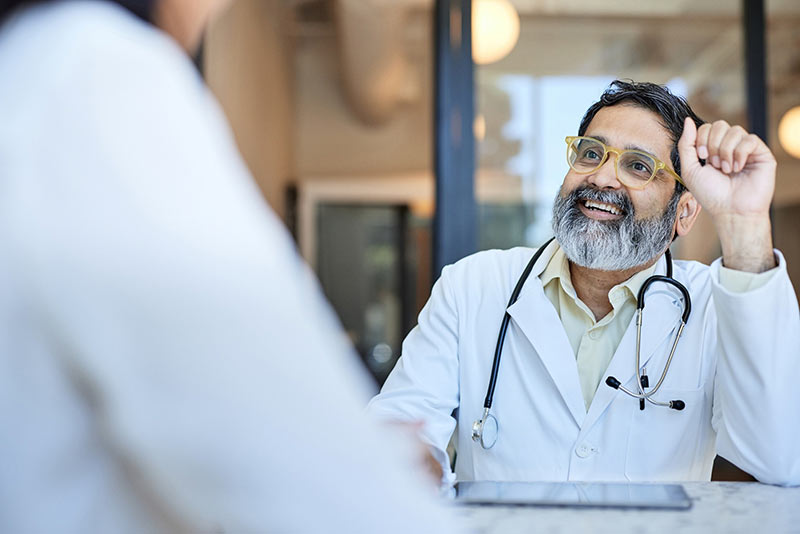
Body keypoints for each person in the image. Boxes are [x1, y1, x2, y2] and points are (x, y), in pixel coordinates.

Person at [0, 1, 462, 532]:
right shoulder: (99, 76)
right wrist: (357, 462)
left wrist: (342, 453)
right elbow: (292, 481)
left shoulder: (35, 67)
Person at [367, 80, 800, 488]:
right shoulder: (472, 286)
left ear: (684, 213)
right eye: (591, 154)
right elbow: (401, 426)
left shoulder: (710, 305)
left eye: (638, 166)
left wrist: (744, 226)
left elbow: (776, 460)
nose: (602, 177)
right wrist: (404, 460)